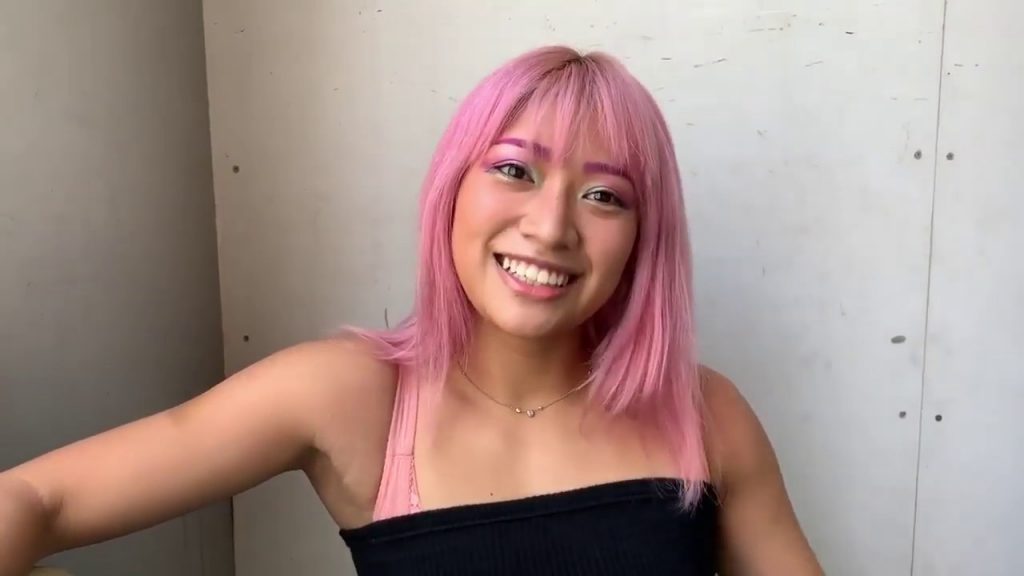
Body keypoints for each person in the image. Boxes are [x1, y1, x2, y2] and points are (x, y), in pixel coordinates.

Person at [0, 46, 823, 575]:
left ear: (645, 237)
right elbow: (38, 500)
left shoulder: (705, 413)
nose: (551, 227)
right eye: (515, 171)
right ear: (452, 190)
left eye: (605, 195)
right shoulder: (350, 394)